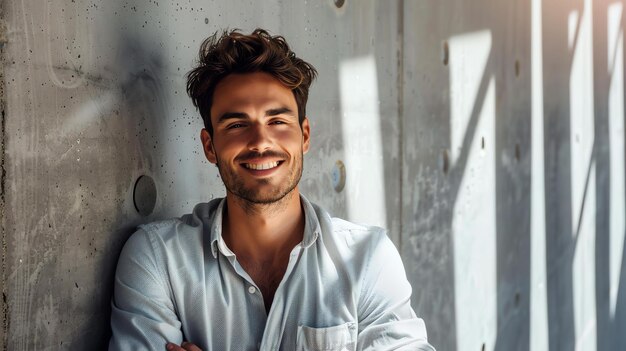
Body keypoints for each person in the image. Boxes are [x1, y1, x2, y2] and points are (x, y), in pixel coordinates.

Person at [109, 28, 435, 351]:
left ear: (304, 136)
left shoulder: (368, 259)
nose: (261, 142)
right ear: (210, 146)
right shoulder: (157, 259)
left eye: (277, 121)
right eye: (236, 125)